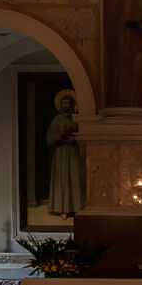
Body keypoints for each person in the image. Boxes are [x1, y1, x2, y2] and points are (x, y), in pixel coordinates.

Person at [45, 88, 82, 217]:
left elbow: (82, 136)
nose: (66, 106)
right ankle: (63, 209)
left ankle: (76, 207)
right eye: (64, 103)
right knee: (62, 181)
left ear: (72, 105)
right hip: (61, 154)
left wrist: (75, 140)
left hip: (73, 153)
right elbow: (49, 139)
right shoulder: (57, 120)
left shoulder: (77, 119)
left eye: (68, 103)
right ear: (60, 105)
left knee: (74, 180)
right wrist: (60, 136)